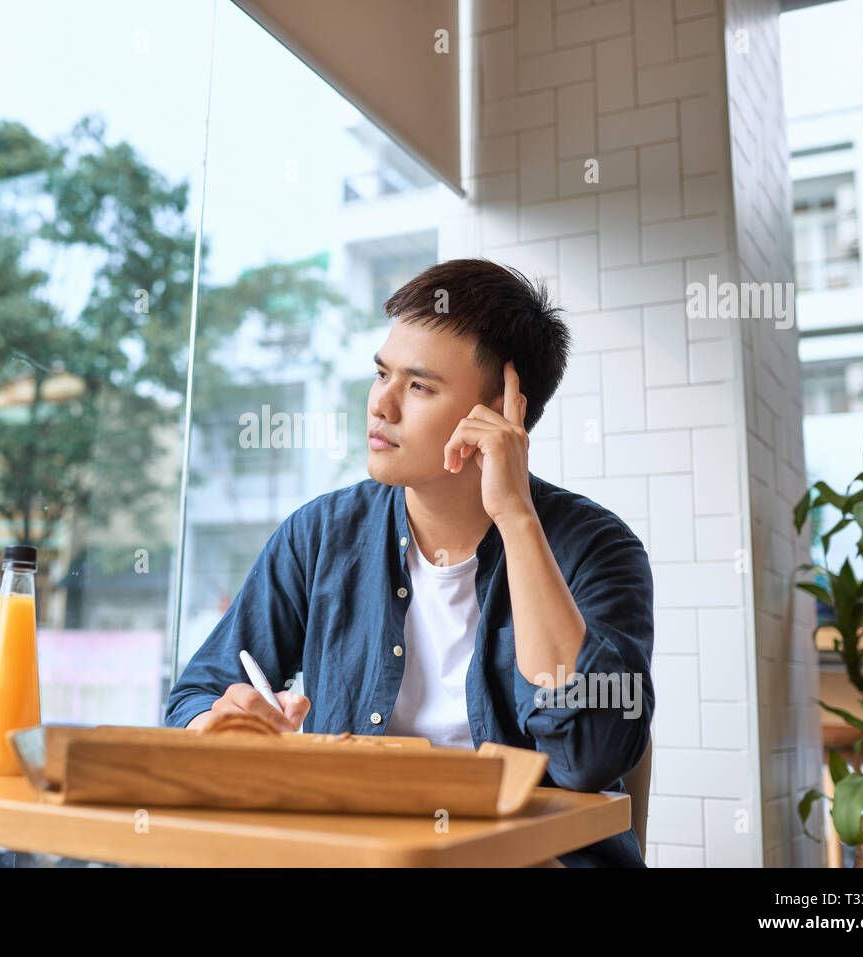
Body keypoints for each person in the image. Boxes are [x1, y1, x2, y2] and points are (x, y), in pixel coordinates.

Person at [164, 257, 654, 867]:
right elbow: (194, 694)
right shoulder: (320, 535)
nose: (382, 405)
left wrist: (517, 519)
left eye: (419, 386)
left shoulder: (596, 547)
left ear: (502, 410)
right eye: (381, 375)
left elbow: (595, 751)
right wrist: (218, 724)